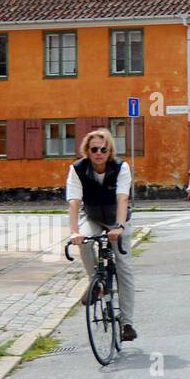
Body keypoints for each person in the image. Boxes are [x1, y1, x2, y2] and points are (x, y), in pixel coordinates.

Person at [66, 129, 137, 342]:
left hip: (118, 218)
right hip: (93, 217)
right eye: (94, 149)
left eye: (103, 149)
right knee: (85, 242)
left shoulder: (120, 167)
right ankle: (96, 283)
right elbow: (74, 201)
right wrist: (74, 232)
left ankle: (127, 323)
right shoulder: (77, 170)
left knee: (123, 266)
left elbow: (123, 198)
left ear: (109, 150)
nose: (98, 153)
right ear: (87, 151)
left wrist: (120, 227)